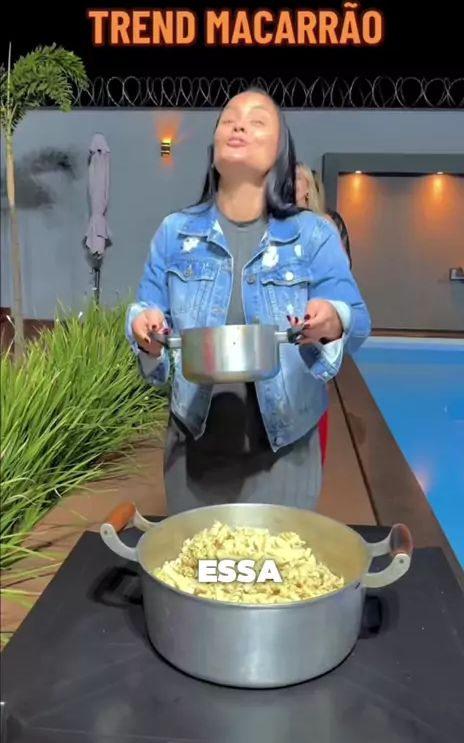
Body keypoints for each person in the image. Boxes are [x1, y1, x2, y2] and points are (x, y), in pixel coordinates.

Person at [127, 90, 371, 514]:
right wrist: (145, 330)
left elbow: (358, 321)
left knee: (280, 558)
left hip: (285, 454)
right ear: (214, 149)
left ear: (280, 151)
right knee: (198, 558)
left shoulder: (314, 235)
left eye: (258, 120)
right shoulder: (174, 233)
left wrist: (332, 319)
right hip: (193, 453)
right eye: (229, 119)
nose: (239, 124)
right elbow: (146, 312)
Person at [295, 163, 353, 467]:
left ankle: (310, 465)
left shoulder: (323, 225)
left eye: (295, 179)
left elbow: (338, 278)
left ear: (308, 188)